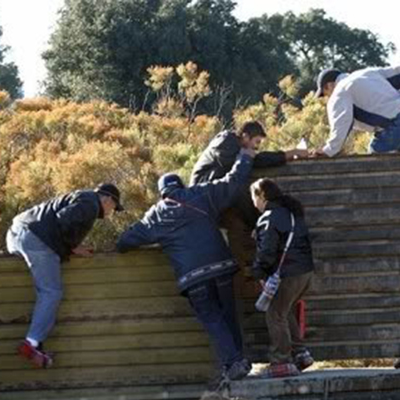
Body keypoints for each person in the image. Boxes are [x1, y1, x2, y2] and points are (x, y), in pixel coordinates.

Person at [116, 150, 255, 385]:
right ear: (180, 184)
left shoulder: (156, 215)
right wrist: (245, 157)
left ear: (161, 193)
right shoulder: (201, 194)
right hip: (222, 267)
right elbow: (231, 182)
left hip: (193, 277)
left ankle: (232, 363)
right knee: (229, 315)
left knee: (212, 319)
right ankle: (238, 361)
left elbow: (126, 241)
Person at [7, 183, 124, 367]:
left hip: (15, 233)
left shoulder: (80, 197)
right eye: (113, 208)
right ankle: (31, 343)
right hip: (36, 239)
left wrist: (69, 248)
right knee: (51, 292)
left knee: (43, 288)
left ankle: (38, 342)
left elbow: (59, 220)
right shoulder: (90, 204)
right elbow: (64, 221)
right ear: (107, 199)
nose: (111, 212)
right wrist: (72, 246)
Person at [190, 121, 308, 230]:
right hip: (203, 195)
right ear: (245, 137)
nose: (257, 147)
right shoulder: (225, 143)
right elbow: (252, 162)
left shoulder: (237, 149)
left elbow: (255, 159)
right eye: (256, 142)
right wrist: (291, 153)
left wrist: (287, 154)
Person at [250, 178, 315, 378]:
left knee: (274, 314)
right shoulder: (292, 214)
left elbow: (268, 251)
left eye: (253, 197)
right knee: (284, 311)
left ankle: (281, 363)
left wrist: (258, 273)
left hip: (286, 273)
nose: (253, 203)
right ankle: (300, 354)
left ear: (262, 195)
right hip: (305, 272)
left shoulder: (269, 217)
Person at [313, 66, 400, 156]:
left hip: (394, 125)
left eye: (325, 93)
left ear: (329, 85)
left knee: (373, 167)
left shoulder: (339, 92)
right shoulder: (367, 73)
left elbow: (342, 123)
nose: (327, 98)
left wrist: (328, 151)